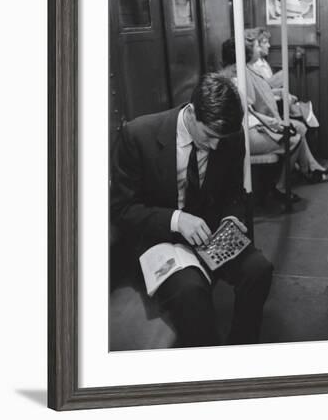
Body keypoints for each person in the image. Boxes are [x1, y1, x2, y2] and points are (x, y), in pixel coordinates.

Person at [110, 73, 273, 348]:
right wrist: (176, 220)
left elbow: (233, 192)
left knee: (259, 270)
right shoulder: (138, 135)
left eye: (222, 138)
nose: (215, 146)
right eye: (209, 135)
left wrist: (232, 217)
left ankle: (242, 345)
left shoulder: (229, 138)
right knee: (191, 291)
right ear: (192, 112)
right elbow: (122, 210)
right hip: (162, 237)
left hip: (211, 232)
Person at [221, 38, 328, 189]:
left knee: (293, 131)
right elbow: (243, 114)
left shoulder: (232, 79)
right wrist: (266, 122)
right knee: (293, 139)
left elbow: (248, 110)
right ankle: (282, 186)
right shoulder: (228, 84)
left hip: (249, 127)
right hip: (241, 136)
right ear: (235, 66)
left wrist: (266, 122)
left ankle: (308, 170)